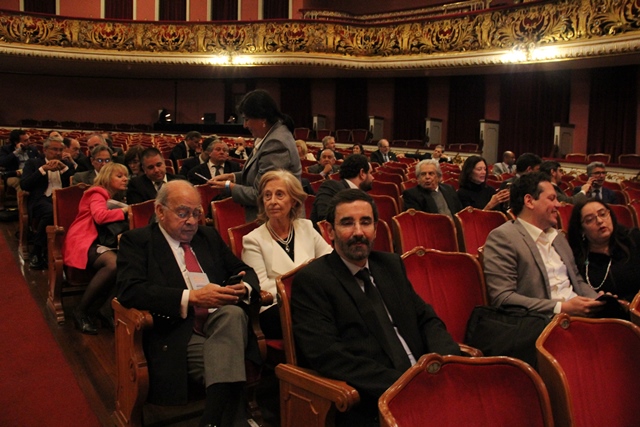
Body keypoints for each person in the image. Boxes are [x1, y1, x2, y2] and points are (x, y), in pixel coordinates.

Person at [292, 189, 460, 426]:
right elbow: (327, 355)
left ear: (376, 229)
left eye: (366, 222)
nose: (358, 232)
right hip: (374, 396)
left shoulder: (390, 265)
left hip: (428, 382)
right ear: (330, 231)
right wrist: (406, 384)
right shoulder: (313, 280)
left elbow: (426, 319)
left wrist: (447, 364)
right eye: (347, 223)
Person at [117, 180, 260, 426]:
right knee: (228, 364)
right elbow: (130, 290)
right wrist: (190, 297)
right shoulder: (138, 241)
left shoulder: (207, 236)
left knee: (233, 315)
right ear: (160, 211)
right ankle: (232, 420)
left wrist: (243, 287)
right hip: (177, 330)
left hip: (220, 323)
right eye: (183, 213)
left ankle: (211, 421)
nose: (192, 221)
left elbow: (244, 270)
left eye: (197, 213)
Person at [483, 172, 602, 317]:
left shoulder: (558, 236)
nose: (558, 205)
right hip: (543, 322)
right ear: (529, 201)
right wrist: (561, 308)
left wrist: (597, 300)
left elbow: (576, 279)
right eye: (552, 199)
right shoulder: (503, 237)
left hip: (577, 315)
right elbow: (503, 297)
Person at [242, 170, 331, 338]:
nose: (272, 201)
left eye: (280, 195)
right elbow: (261, 287)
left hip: (314, 302)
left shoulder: (306, 227)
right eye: (267, 196)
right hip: (276, 308)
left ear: (294, 200)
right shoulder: (253, 240)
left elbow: (330, 262)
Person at [210, 89, 302, 221]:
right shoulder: (270, 135)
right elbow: (258, 173)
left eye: (247, 119)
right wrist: (233, 177)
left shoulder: (276, 143)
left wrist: (228, 186)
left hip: (277, 223)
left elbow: (262, 194)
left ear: (262, 119)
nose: (245, 125)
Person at [63, 162, 129, 334]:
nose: (125, 179)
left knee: (129, 264)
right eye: (119, 176)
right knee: (113, 264)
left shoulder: (116, 197)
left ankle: (105, 310)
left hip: (100, 241)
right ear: (107, 177)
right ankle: (80, 311)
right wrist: (125, 211)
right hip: (84, 240)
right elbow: (100, 217)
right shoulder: (97, 193)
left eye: (126, 175)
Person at [567, 199, 640, 302]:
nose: (600, 221)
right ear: (581, 229)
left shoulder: (633, 239)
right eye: (590, 219)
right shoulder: (577, 259)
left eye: (602, 214)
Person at [20, 137, 75, 269]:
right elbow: (24, 185)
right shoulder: (33, 163)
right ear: (45, 150)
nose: (58, 153)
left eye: (60, 150)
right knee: (51, 212)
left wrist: (64, 169)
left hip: (63, 199)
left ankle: (70, 253)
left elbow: (76, 181)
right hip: (41, 199)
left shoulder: (66, 165)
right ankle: (38, 251)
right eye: (54, 149)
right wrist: (42, 170)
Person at [311, 153, 374, 224]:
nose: (373, 177)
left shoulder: (365, 197)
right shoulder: (331, 187)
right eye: (370, 173)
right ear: (362, 173)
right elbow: (324, 220)